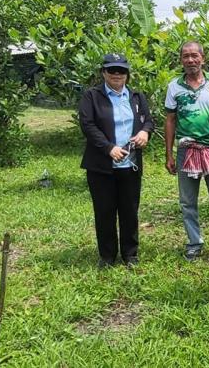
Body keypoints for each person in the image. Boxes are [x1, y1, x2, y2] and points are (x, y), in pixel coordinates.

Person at [78, 53, 154, 268]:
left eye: (121, 70)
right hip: (102, 166)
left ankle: (130, 254)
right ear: (103, 73)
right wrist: (108, 148)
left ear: (127, 74)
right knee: (104, 211)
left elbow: (148, 120)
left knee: (130, 210)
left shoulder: (136, 96)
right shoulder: (92, 96)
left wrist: (145, 133)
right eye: (112, 70)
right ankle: (107, 256)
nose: (117, 74)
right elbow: (88, 125)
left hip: (130, 164)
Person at [164, 41, 209, 262]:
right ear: (181, 60)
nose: (191, 60)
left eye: (195, 56)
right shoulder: (174, 86)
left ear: (203, 58)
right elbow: (170, 119)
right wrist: (169, 154)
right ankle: (194, 244)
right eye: (186, 56)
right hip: (187, 150)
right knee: (187, 201)